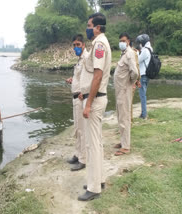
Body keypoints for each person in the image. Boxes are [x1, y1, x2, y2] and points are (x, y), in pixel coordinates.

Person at [78, 12, 111, 201]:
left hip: (96, 100)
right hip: (97, 97)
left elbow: (97, 75)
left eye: (89, 25)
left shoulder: (99, 44)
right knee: (97, 143)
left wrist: (88, 103)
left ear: (98, 27)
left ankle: (94, 188)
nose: (87, 28)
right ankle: (99, 179)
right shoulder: (101, 42)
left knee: (92, 145)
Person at [113, 32, 139, 156]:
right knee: (120, 116)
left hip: (124, 90)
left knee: (124, 117)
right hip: (120, 91)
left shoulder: (129, 54)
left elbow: (134, 72)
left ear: (128, 41)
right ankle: (123, 142)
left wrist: (131, 83)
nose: (121, 43)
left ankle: (126, 147)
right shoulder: (123, 54)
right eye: (120, 40)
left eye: (123, 40)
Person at [65, 34, 88, 171]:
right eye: (74, 45)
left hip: (81, 98)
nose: (76, 48)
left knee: (82, 130)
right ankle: (78, 154)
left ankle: (83, 159)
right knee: (77, 129)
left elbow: (91, 77)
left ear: (83, 45)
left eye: (78, 45)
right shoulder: (80, 60)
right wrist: (73, 81)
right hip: (75, 98)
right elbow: (81, 77)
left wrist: (84, 92)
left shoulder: (86, 58)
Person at [135, 34, 152, 119]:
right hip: (146, 75)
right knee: (143, 94)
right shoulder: (149, 49)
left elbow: (137, 60)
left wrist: (137, 52)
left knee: (142, 95)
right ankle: (143, 112)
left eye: (140, 42)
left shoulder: (145, 50)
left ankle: (144, 114)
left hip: (143, 75)